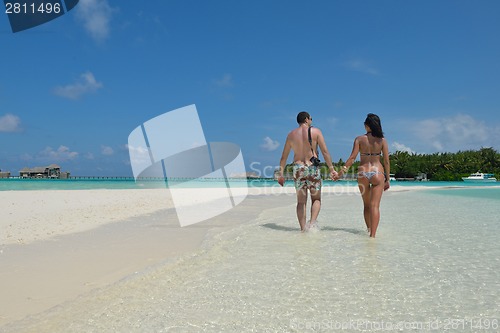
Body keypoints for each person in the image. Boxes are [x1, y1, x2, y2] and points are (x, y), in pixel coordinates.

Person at [277, 111, 337, 232]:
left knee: (301, 202)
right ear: (306, 119)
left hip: (298, 168)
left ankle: (303, 229)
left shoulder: (291, 135)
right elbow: (325, 152)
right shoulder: (316, 132)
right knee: (316, 199)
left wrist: (281, 174)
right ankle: (312, 225)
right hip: (312, 168)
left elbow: (284, 157)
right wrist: (332, 169)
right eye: (311, 119)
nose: (311, 121)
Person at [338, 113, 390, 238]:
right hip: (377, 172)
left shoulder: (359, 139)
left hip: (363, 173)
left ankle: (368, 229)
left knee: (366, 205)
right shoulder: (382, 140)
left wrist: (340, 173)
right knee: (375, 206)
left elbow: (352, 158)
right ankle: (373, 235)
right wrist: (387, 179)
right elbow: (387, 161)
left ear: (367, 126)